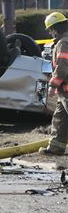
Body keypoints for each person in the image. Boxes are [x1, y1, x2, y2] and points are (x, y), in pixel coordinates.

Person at [39, 12, 68, 155]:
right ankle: (56, 147)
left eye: (50, 30)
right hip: (64, 90)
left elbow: (62, 66)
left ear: (56, 29)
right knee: (60, 119)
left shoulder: (63, 43)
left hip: (66, 89)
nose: (50, 33)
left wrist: (53, 85)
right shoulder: (63, 41)